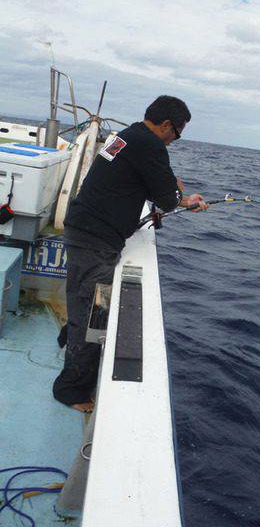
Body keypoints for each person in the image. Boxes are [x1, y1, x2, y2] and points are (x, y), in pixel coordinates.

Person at [53, 95, 207, 412]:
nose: (175, 140)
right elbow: (166, 197)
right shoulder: (150, 144)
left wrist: (170, 191)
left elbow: (140, 183)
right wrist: (184, 196)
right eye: (177, 133)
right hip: (96, 242)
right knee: (94, 314)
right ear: (166, 125)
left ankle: (66, 342)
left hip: (85, 232)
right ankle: (70, 391)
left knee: (83, 300)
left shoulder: (128, 136)